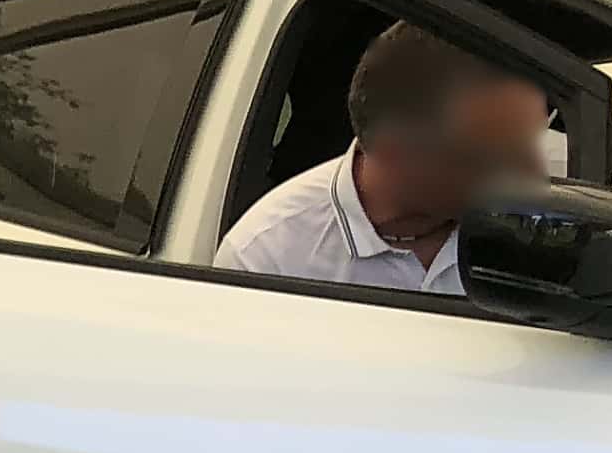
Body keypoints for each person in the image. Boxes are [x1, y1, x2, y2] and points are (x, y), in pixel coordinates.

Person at [215, 20, 556, 295]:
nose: (521, 171)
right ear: (395, 152)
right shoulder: (265, 257)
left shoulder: (548, 210)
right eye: (485, 154)